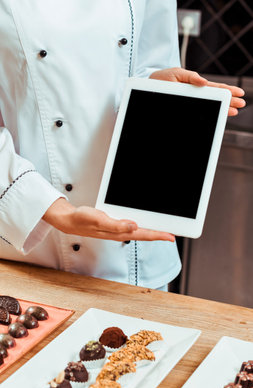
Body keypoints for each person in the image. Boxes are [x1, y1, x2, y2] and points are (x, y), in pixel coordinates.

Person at [0, 1, 245, 290]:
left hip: (135, 255)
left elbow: (149, 63)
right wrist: (54, 210)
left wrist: (159, 87)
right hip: (33, 243)